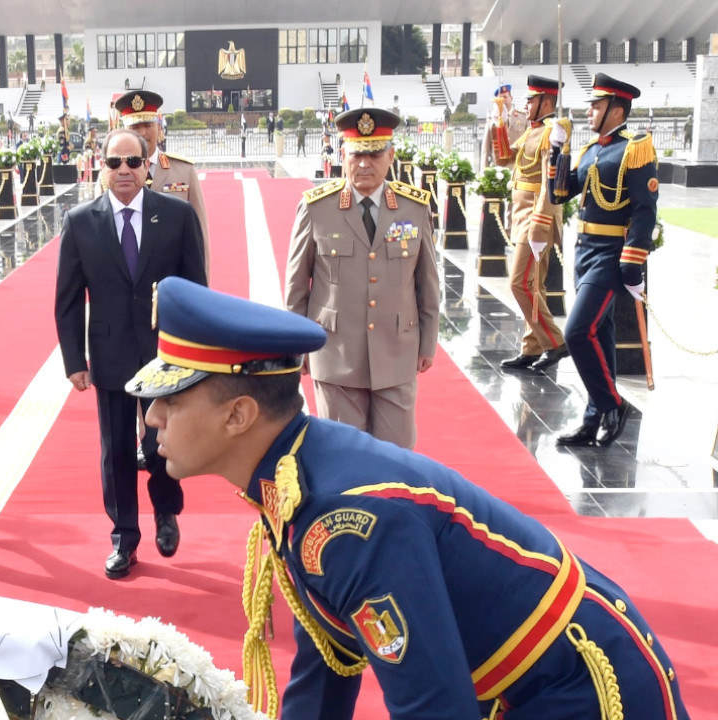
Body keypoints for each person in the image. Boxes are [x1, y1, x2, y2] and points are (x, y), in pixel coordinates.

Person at [127, 276, 691, 720]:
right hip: (512, 685)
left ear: (238, 415)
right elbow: (328, 662)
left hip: (581, 690)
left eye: (170, 400)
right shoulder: (293, 478)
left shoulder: (345, 517)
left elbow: (432, 708)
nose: (152, 418)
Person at [54, 128, 207, 579]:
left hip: (164, 352)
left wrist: (196, 352)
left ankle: (166, 513)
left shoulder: (176, 216)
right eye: (115, 163)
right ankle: (124, 536)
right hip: (109, 351)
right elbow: (67, 298)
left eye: (133, 163)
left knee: (162, 441)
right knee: (115, 448)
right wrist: (73, 362)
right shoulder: (81, 222)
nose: (124, 171)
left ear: (147, 166)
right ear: (102, 167)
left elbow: (195, 289)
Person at [284, 108, 439, 449]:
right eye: (356, 155)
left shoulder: (414, 208)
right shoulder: (316, 208)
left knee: (397, 458)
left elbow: (427, 283)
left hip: (397, 352)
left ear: (391, 156)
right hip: (335, 353)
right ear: (343, 155)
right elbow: (296, 288)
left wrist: (427, 343)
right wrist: (298, 349)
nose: (365, 164)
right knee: (344, 458)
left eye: (374, 154)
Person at [547, 74, 657, 448]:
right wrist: (557, 150)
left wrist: (632, 262)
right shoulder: (592, 150)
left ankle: (612, 404)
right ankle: (593, 420)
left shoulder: (635, 149)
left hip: (611, 255)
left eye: (596, 105)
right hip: (585, 251)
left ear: (617, 108)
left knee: (577, 331)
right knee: (600, 335)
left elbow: (644, 211)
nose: (589, 111)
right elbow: (561, 193)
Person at [497, 76, 569, 374]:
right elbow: (504, 159)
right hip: (522, 215)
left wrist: (540, 226)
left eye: (531, 100)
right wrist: (500, 123)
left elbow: (551, 183)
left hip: (536, 220)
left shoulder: (554, 130)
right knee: (532, 286)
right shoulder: (533, 131)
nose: (526, 106)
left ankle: (555, 342)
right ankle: (532, 347)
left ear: (546, 102)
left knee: (519, 285)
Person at [113, 90, 211, 272]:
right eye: (135, 126)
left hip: (173, 280)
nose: (142, 132)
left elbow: (200, 237)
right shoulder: (110, 176)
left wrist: (200, 291)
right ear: (124, 131)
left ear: (158, 127)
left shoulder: (184, 171)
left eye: (148, 124)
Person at [481, 84, 528, 171]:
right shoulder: (492, 121)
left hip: (518, 167)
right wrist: (484, 171)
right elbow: (485, 150)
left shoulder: (523, 117)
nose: (502, 100)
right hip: (498, 170)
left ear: (511, 98)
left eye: (505, 97)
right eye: (499, 98)